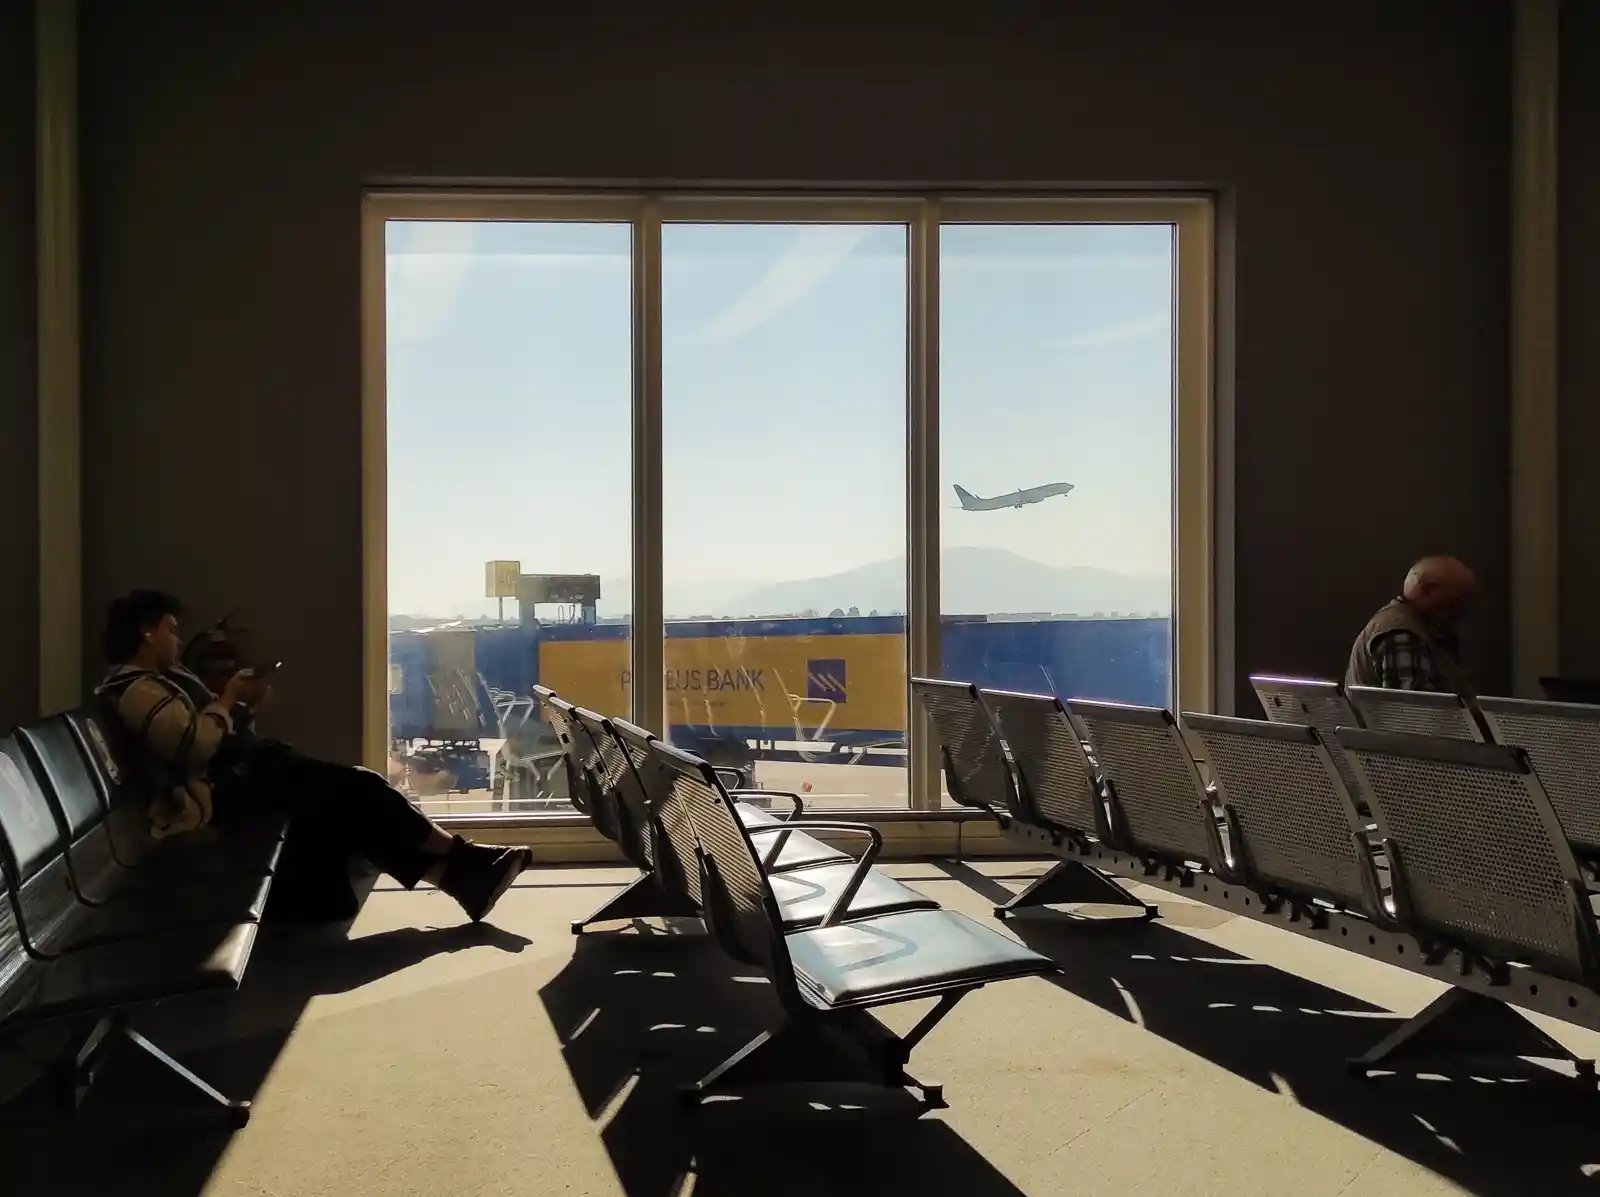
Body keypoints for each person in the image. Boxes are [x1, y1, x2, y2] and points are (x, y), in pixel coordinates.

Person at [95, 590, 532, 923]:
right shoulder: (136, 690)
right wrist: (227, 699)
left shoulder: (159, 681)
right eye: (170, 629)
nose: (177, 639)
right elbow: (191, 746)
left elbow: (205, 731)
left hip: (239, 778)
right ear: (146, 633)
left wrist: (239, 704)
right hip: (223, 794)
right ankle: (464, 861)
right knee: (360, 787)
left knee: (345, 811)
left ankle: (461, 879)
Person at [1345, 556, 1476, 694]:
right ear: (1426, 590)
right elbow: (1409, 704)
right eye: (1457, 599)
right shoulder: (1402, 632)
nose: (1463, 608)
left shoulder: (1412, 625)